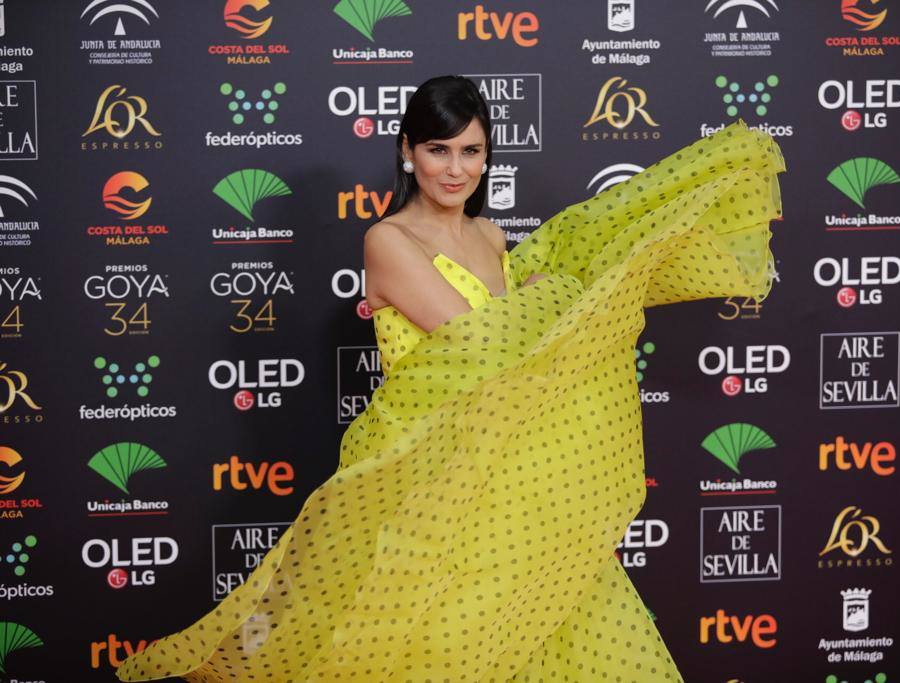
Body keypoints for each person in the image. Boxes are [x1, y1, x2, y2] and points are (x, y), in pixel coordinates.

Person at [116, 75, 784, 682]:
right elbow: (482, 343)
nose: (454, 168)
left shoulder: (493, 237)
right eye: (439, 150)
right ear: (408, 151)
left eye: (470, 151)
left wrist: (571, 297)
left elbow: (532, 367)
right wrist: (553, 294)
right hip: (429, 478)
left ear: (488, 156)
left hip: (509, 474)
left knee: (552, 630)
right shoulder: (388, 241)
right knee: (426, 642)